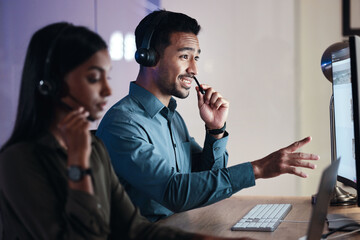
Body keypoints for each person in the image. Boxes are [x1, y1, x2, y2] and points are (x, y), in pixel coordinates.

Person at [0, 21, 254, 240]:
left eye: (106, 78)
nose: (108, 91)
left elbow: (135, 229)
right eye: (93, 78)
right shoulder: (17, 161)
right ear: (50, 85)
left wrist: (208, 239)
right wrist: (78, 164)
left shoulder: (94, 149)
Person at [96, 10, 320, 222]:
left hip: (180, 228)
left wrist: (215, 130)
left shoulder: (173, 119)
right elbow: (174, 192)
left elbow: (204, 184)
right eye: (185, 56)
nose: (194, 69)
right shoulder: (123, 124)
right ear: (150, 57)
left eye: (196, 58)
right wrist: (257, 169)